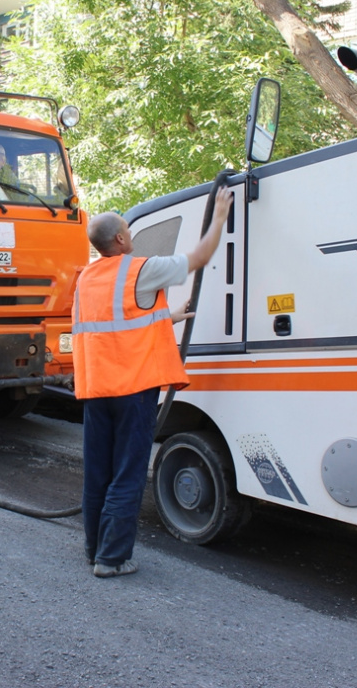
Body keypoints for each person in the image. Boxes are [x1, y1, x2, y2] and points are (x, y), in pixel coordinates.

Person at [73, 187, 234, 578]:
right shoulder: (140, 269)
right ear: (120, 239)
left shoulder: (86, 279)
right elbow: (200, 257)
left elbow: (119, 323)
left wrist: (169, 316)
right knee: (127, 474)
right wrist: (219, 217)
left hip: (97, 391)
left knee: (98, 474)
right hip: (133, 391)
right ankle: (112, 560)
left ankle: (95, 550)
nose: (131, 236)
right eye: (128, 231)